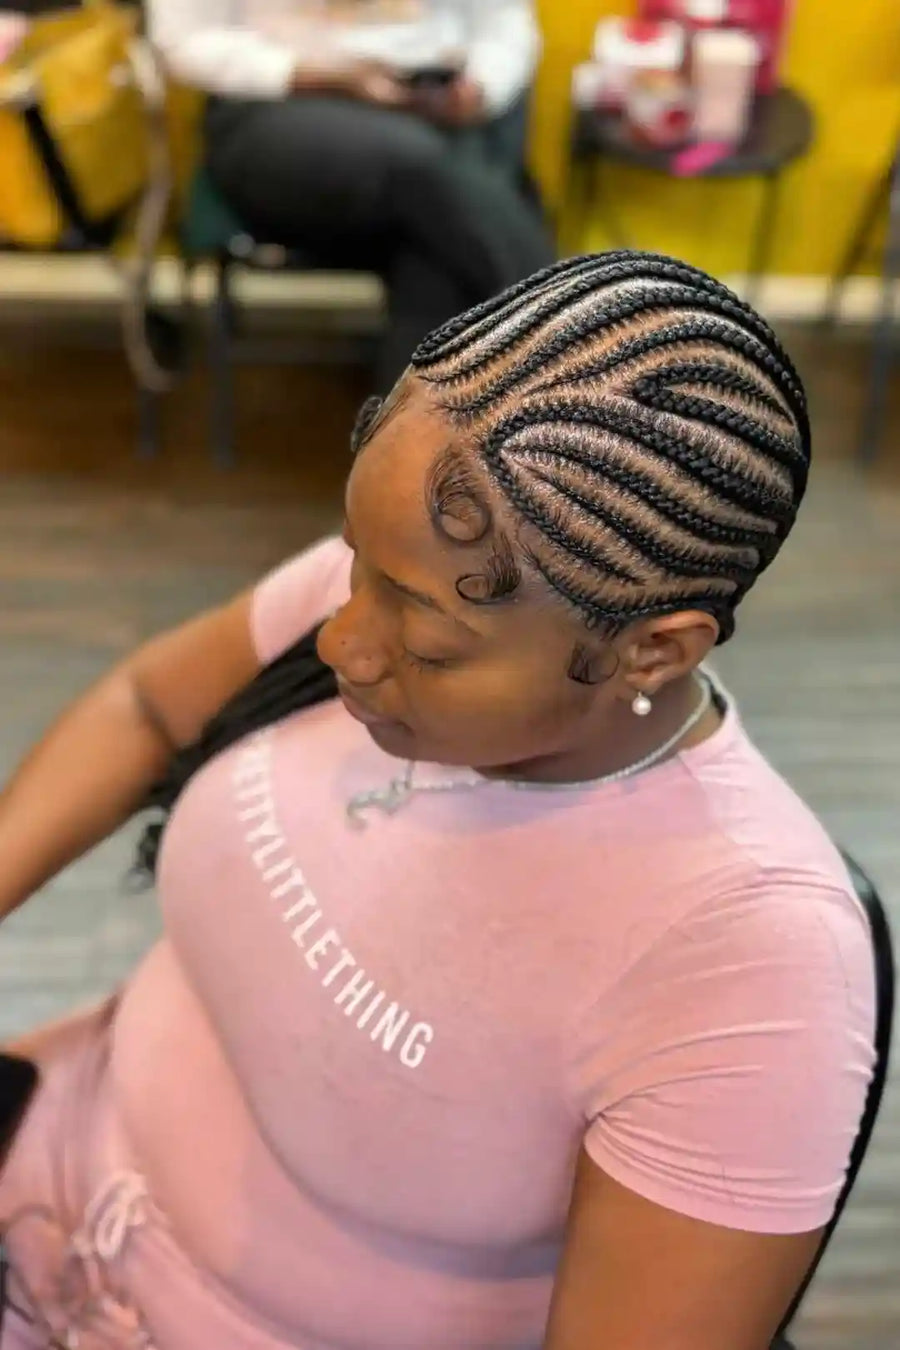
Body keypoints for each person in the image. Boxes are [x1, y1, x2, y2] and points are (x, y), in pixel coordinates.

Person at [0, 252, 876, 1350]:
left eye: (426, 640)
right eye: (355, 565)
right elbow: (146, 705)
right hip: (45, 1156)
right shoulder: (402, 582)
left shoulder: (750, 964)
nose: (339, 639)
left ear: (653, 650)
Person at [148, 0, 554, 391]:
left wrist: (478, 88)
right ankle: (568, 347)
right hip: (279, 111)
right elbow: (182, 40)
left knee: (438, 260)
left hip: (436, 113)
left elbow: (505, 28)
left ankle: (412, 440)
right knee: (437, 178)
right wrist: (317, 74)